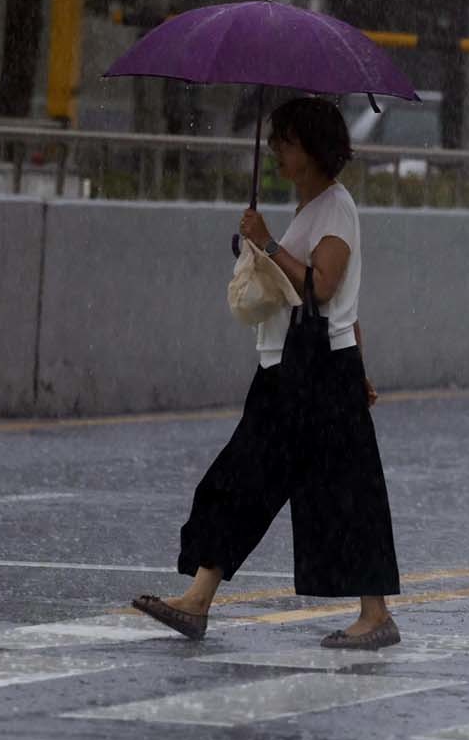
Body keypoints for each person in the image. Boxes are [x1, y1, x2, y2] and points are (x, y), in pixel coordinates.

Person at [132, 97, 401, 649]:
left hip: (317, 372)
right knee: (248, 478)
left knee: (344, 491)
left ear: (315, 149)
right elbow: (343, 302)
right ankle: (199, 601)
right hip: (297, 368)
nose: (278, 151)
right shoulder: (312, 209)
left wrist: (270, 242)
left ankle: (375, 616)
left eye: (288, 142)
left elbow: (322, 288)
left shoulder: (335, 209)